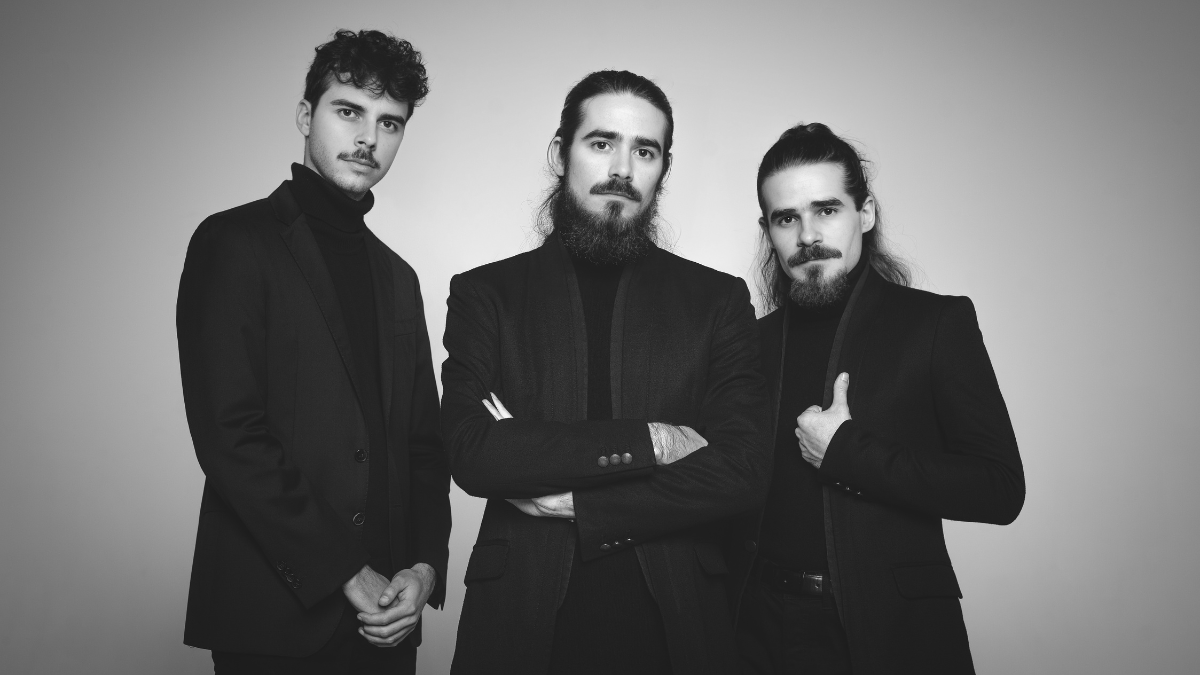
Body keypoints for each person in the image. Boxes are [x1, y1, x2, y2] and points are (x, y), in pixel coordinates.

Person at [440, 70, 772, 675]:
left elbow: (742, 471)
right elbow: (473, 451)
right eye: (601, 143)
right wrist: (654, 440)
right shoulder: (487, 294)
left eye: (645, 151)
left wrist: (577, 502)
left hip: (680, 623)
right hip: (520, 618)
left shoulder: (717, 300)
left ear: (663, 169)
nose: (622, 169)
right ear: (560, 153)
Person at [176, 29, 451, 674]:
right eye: (349, 111)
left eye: (390, 123)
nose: (368, 138)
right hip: (274, 619)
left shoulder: (399, 277)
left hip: (388, 620)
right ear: (306, 116)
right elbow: (230, 436)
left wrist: (424, 568)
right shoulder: (232, 242)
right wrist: (346, 572)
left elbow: (422, 444)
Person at [730, 122, 1026, 674]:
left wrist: (847, 452)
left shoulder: (936, 324)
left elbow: (1000, 489)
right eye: (786, 218)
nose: (808, 235)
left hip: (890, 634)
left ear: (864, 213)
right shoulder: (749, 343)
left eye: (827, 210)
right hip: (756, 632)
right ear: (767, 229)